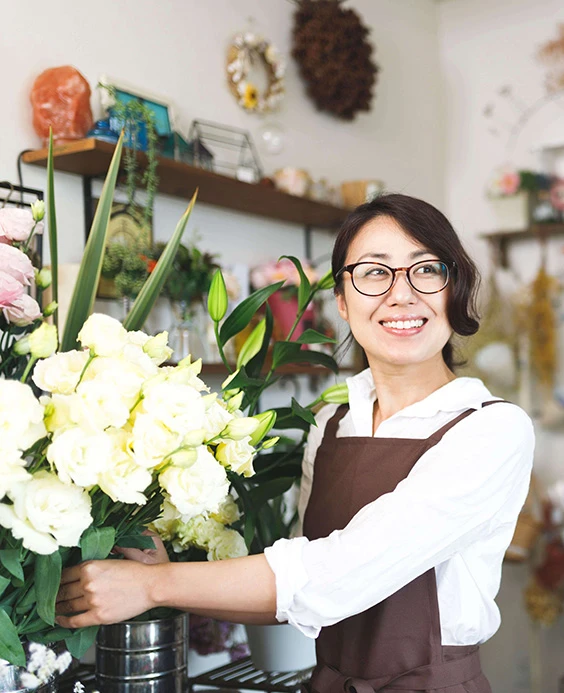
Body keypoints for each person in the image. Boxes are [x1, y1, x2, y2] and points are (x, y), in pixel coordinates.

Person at [55, 194, 536, 693]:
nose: (401, 294)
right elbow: (301, 600)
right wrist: (162, 574)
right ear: (343, 303)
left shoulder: (492, 431)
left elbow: (334, 576)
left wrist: (151, 587)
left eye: (426, 270)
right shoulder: (331, 424)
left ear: (452, 290)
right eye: (375, 272)